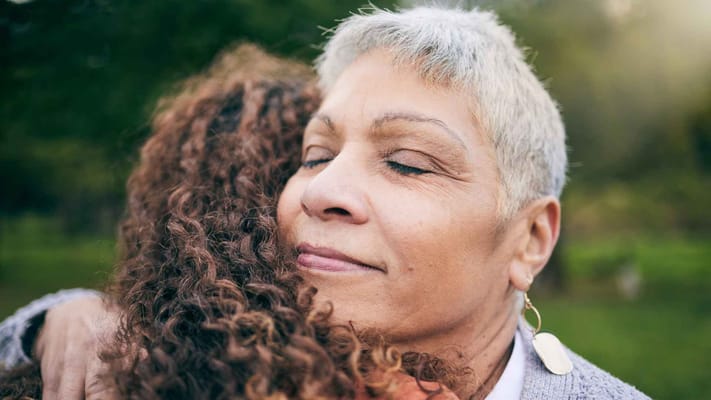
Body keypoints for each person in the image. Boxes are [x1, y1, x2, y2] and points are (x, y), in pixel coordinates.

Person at [1, 5, 649, 399]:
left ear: (529, 239)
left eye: (405, 162)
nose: (323, 190)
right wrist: (58, 321)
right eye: (315, 155)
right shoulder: (200, 369)